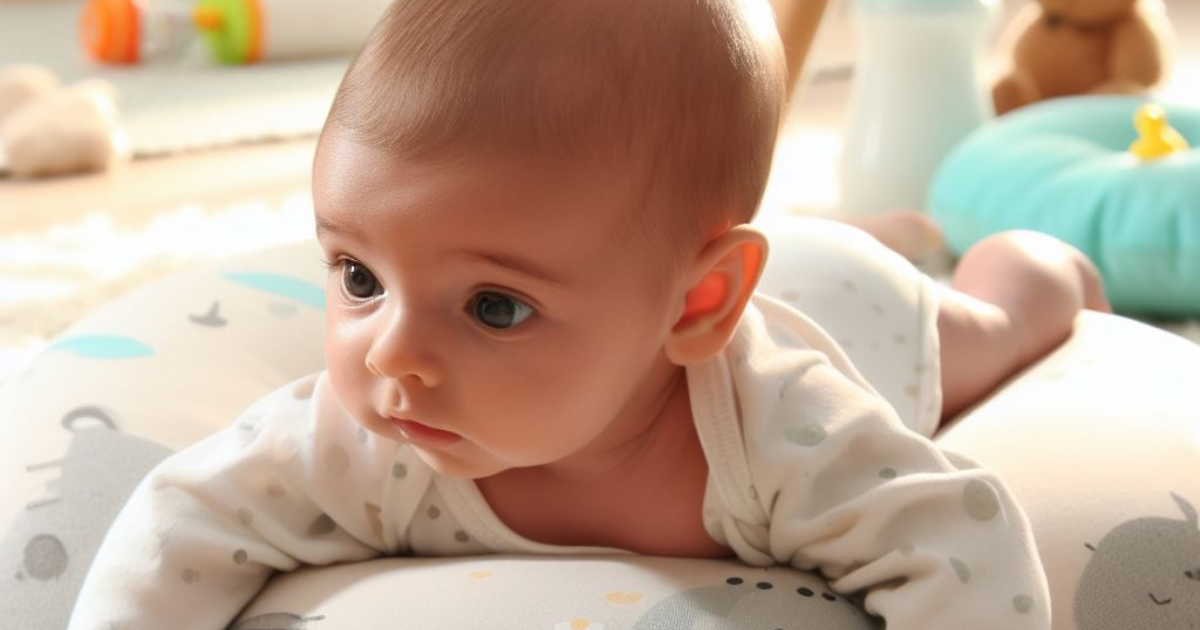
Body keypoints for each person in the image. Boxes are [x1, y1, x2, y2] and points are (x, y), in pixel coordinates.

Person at [67, 0, 1109, 628]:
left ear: (698, 304)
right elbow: (183, 519)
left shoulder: (792, 436)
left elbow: (960, 539)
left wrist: (1027, 296)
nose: (395, 358)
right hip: (716, 261)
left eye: (492, 305)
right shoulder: (363, 439)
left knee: (983, 330)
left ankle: (1024, 267)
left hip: (842, 305)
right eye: (358, 274)